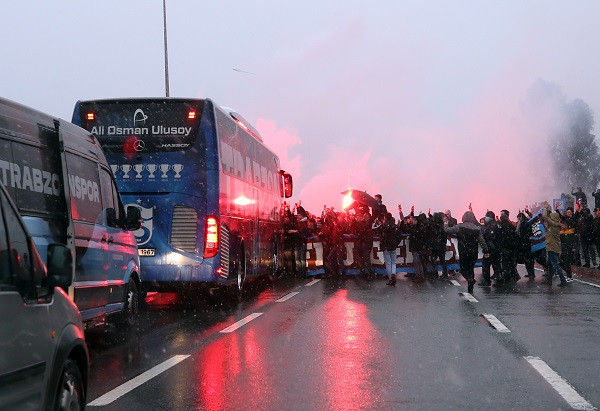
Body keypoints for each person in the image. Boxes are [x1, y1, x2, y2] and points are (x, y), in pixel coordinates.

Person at [444, 211, 488, 294]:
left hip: (464, 251)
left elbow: (447, 231)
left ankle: (470, 279)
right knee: (471, 269)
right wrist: (485, 250)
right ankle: (470, 289)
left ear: (463, 218)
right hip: (473, 252)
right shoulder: (477, 229)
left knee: (463, 269)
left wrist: (445, 223)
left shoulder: (459, 227)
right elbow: (482, 241)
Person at [540, 202, 568, 287]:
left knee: (555, 264)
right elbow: (547, 217)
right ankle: (549, 280)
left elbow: (545, 217)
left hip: (551, 247)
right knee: (551, 265)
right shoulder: (556, 224)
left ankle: (563, 279)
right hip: (555, 247)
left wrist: (545, 208)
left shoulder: (552, 224)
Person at [379, 212, 401, 286]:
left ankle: (390, 278)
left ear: (385, 217)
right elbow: (399, 236)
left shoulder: (383, 226)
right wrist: (396, 243)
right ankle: (393, 274)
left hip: (386, 246)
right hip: (393, 246)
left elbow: (378, 232)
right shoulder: (395, 226)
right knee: (394, 262)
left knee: (388, 263)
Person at [480, 211, 499, 286]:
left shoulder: (490, 226)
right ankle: (499, 280)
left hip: (490, 249)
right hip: (497, 249)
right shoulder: (498, 224)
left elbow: (485, 237)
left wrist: (485, 249)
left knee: (485, 265)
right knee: (497, 265)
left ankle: (486, 281)